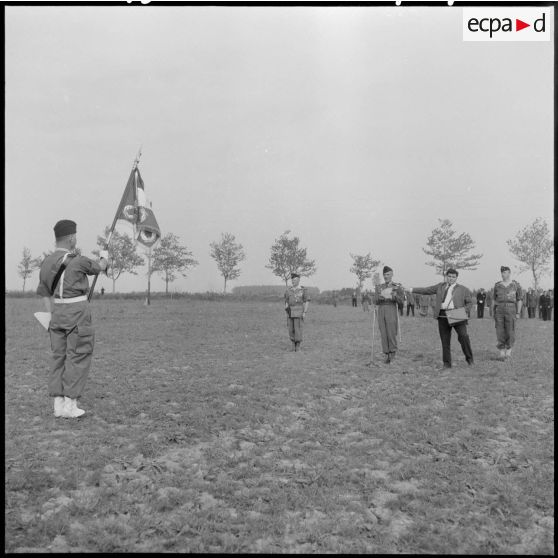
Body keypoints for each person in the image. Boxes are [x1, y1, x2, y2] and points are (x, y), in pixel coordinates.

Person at [36, 220, 108, 418]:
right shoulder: (78, 260)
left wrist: (50, 315)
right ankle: (70, 405)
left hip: (56, 313)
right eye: (75, 236)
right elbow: (100, 267)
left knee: (58, 357)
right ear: (70, 238)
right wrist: (104, 256)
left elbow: (43, 292)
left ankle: (58, 406)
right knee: (78, 355)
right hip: (77, 313)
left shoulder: (47, 262)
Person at [410, 269, 474, 370]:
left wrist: (463, 311)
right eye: (449, 276)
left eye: (453, 277)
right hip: (442, 314)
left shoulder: (463, 289)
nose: (451, 279)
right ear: (446, 276)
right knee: (445, 341)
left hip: (457, 314)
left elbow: (470, 303)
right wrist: (412, 289)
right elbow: (426, 290)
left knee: (463, 336)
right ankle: (447, 364)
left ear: (456, 278)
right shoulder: (440, 286)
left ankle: (470, 360)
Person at [373, 266, 404, 364]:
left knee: (391, 331)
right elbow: (374, 300)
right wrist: (379, 298)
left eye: (388, 274)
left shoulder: (397, 286)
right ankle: (386, 353)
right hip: (381, 309)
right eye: (384, 275)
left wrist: (395, 297)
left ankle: (393, 353)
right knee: (383, 332)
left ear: (392, 274)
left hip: (391, 308)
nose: (386, 276)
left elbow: (401, 302)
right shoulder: (379, 287)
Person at [492, 266, 523, 359]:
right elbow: (494, 299)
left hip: (511, 309)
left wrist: (518, 312)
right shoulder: (497, 285)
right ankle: (501, 351)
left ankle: (508, 351)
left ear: (509, 273)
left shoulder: (515, 285)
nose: (503, 274)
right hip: (499, 309)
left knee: (510, 330)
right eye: (502, 272)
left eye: (505, 272)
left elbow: (520, 299)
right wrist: (493, 312)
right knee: (500, 331)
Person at [284, 272, 309, 351]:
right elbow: (286, 301)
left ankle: (297, 345)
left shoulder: (303, 290)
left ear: (298, 280)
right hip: (290, 312)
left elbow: (306, 301)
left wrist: (304, 312)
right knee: (291, 329)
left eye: (294, 280)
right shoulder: (288, 290)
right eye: (292, 280)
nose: (293, 282)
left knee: (298, 329)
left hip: (299, 312)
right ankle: (292, 344)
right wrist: (286, 310)